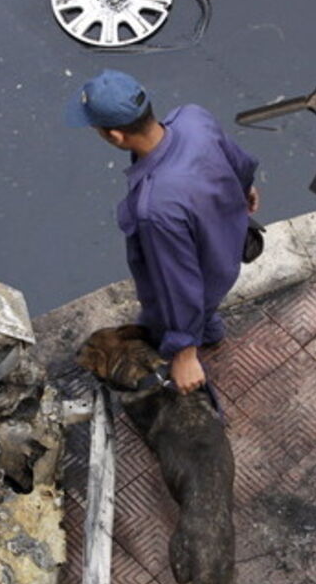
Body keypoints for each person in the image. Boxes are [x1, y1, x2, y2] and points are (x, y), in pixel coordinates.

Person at [66, 70, 259, 395]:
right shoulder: (193, 118)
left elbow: (177, 285)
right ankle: (210, 333)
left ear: (115, 136)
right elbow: (237, 159)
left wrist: (183, 353)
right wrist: (246, 188)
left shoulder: (154, 208)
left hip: (200, 281)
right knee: (206, 311)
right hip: (228, 251)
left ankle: (195, 347)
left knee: (171, 323)